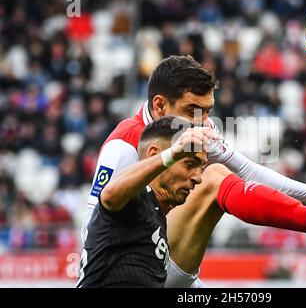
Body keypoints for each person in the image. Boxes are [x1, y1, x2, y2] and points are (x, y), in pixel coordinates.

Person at [82, 55, 306, 288]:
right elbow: (96, 227)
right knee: (213, 178)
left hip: (160, 264)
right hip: (126, 270)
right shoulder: (124, 144)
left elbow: (246, 171)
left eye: (207, 111)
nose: (203, 121)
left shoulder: (194, 130)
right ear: (160, 105)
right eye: (193, 109)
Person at [77, 117, 217, 287]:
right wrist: (172, 154)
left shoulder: (156, 216)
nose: (198, 178)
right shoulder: (135, 199)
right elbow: (109, 195)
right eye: (189, 164)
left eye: (200, 168)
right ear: (154, 154)